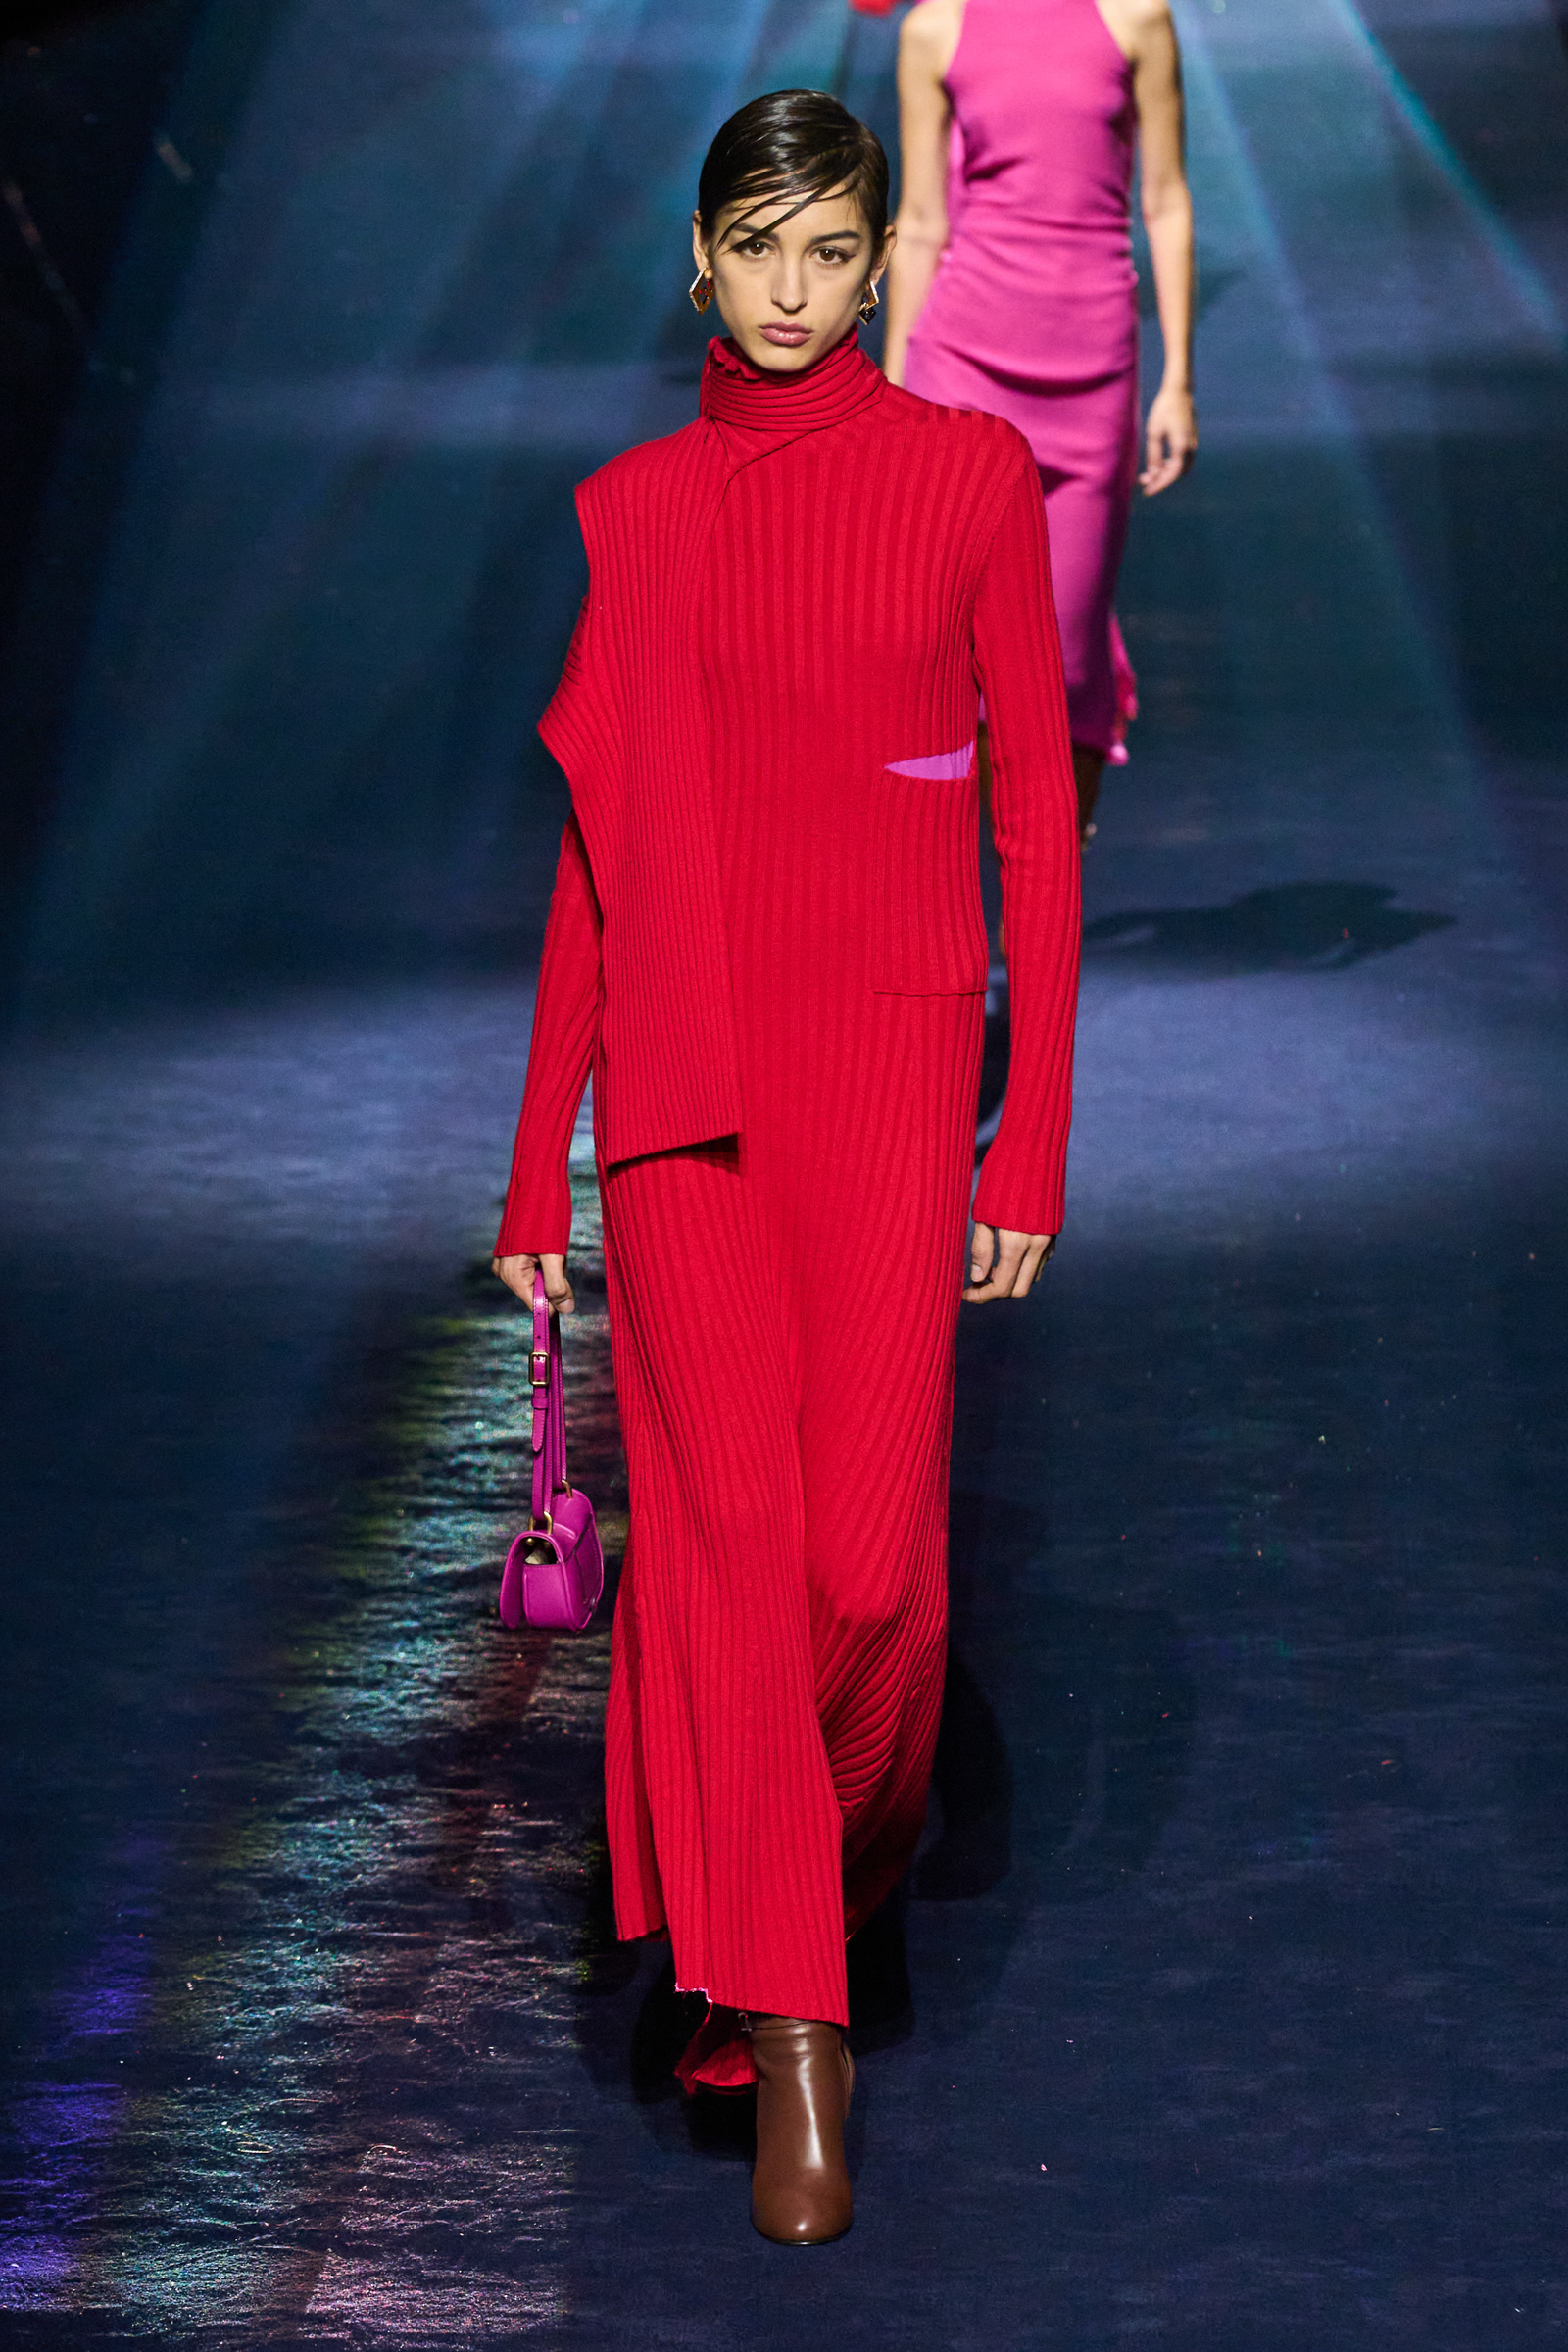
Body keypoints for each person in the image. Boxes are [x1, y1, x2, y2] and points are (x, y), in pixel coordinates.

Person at [492, 89, 1081, 2245]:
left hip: (893, 1082)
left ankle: (815, 1884)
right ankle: (791, 2024)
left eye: (830, 249)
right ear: (699, 256)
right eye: (757, 246)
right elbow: (597, 862)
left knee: (870, 1586)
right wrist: (534, 1169)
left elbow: (1034, 818)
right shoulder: (633, 513)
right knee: (735, 1541)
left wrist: (1032, 1133)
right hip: (682, 1105)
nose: (792, 290)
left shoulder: (965, 478)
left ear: (876, 259)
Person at [882, 0, 1198, 841]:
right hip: (963, 361)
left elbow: (1166, 200)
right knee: (954, 646)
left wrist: (1179, 380)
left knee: (1065, 653)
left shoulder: (1136, 18)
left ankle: (1047, 872)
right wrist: (892, 394)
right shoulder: (935, 29)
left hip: (1092, 364)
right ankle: (991, 885)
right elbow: (920, 223)